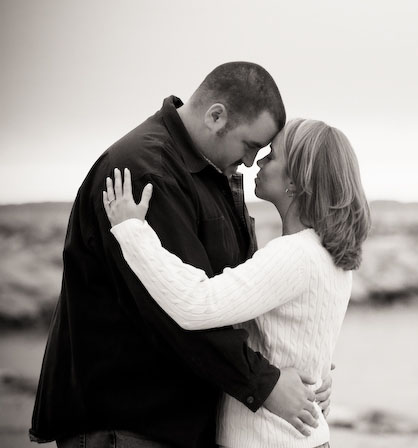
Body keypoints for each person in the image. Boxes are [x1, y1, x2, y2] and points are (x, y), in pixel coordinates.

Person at [31, 63, 330, 448]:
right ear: (216, 116)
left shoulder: (207, 172)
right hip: (128, 424)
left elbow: (235, 298)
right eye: (251, 146)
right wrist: (265, 384)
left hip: (174, 421)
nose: (253, 162)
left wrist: (308, 371)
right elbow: (178, 307)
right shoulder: (145, 172)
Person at [101, 118, 371, 448]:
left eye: (272, 155)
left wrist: (132, 232)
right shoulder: (331, 256)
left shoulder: (295, 255)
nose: (258, 160)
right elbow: (305, 344)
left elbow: (196, 305)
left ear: (297, 181)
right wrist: (320, 378)